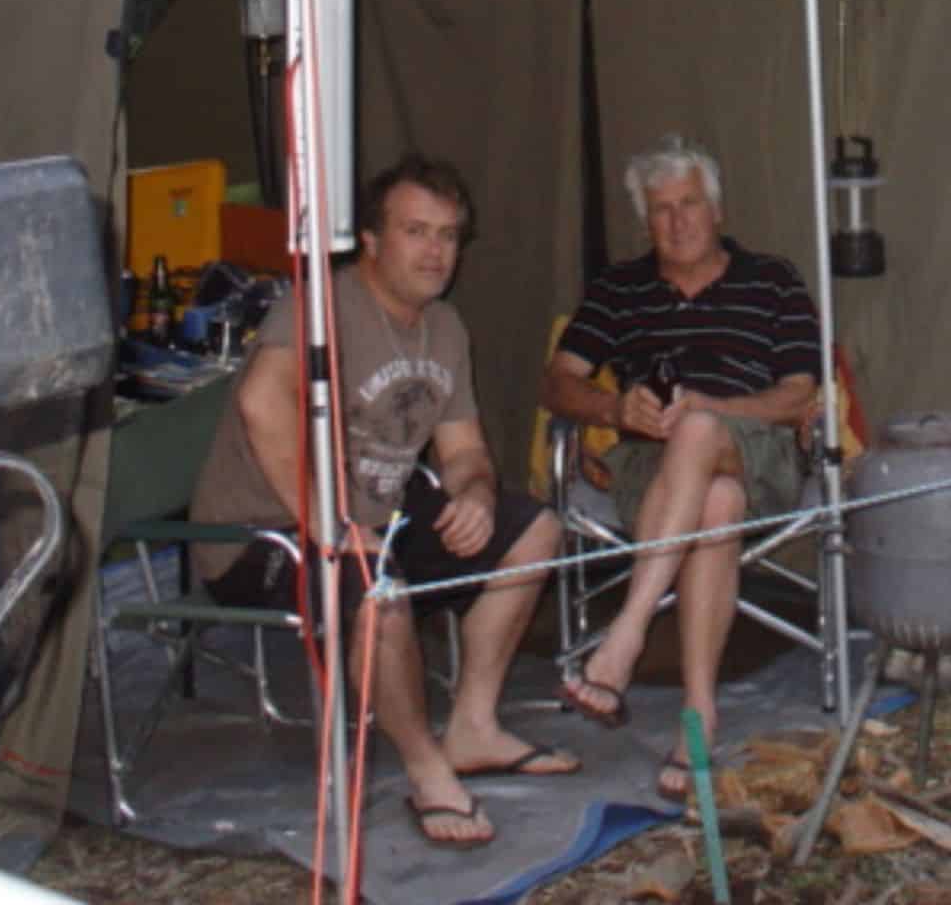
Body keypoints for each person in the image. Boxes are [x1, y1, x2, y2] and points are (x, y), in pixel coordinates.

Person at [189, 154, 574, 851]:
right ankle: (426, 768)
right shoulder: (320, 307)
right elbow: (260, 403)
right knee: (379, 590)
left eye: (448, 235)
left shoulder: (445, 327)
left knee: (535, 529)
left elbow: (465, 452)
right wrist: (327, 523)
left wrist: (476, 495)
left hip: (374, 520)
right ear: (370, 239)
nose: (435, 252)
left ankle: (473, 727)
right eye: (415, 231)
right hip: (262, 533)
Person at [540, 135, 819, 801]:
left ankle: (625, 637)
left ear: (716, 209)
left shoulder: (772, 280)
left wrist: (713, 410)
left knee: (698, 432)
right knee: (716, 500)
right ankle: (699, 715)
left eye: (689, 203)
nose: (678, 221)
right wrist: (615, 408)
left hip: (761, 452)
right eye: (661, 209)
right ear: (646, 220)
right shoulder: (619, 289)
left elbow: (798, 394)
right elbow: (557, 383)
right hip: (651, 463)